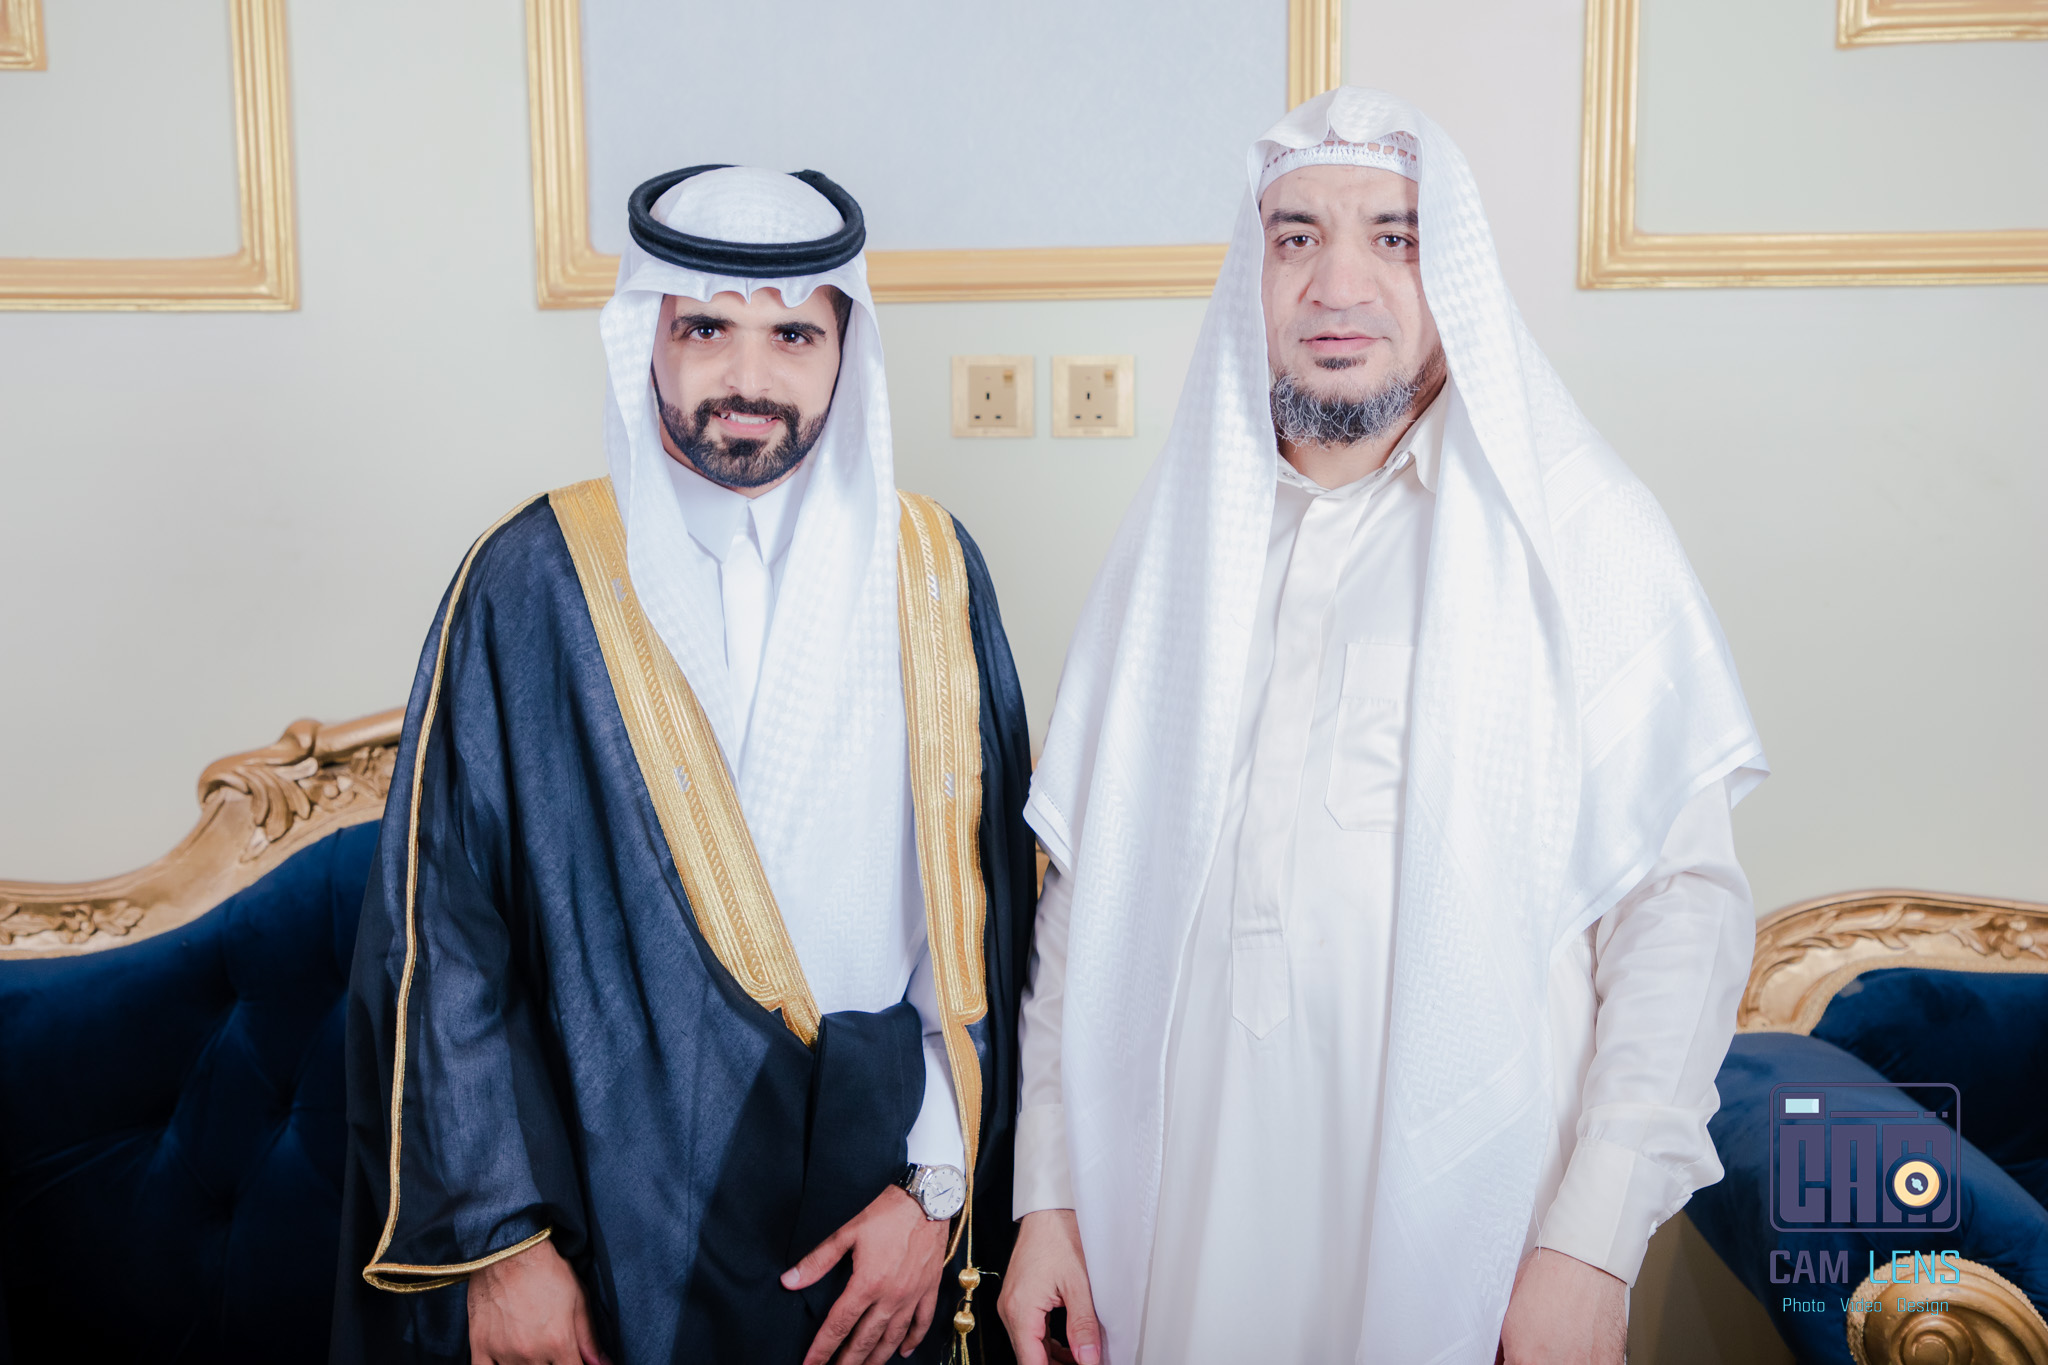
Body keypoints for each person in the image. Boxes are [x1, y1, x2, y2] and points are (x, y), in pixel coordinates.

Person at [996, 87, 1766, 1365]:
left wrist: (1591, 1246)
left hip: (1477, 1239)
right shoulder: (1176, 551)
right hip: (1177, 1231)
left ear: (1451, 271)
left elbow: (1677, 917)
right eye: (1294, 237)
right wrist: (1050, 1200)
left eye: (1393, 238)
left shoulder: (1576, 534)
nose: (1335, 284)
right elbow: (1087, 901)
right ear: (1253, 274)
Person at [332, 165, 1035, 1365]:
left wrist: (933, 1191)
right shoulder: (532, 581)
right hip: (611, 1219)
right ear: (645, 338)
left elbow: (984, 923)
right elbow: (444, 943)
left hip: (876, 1215)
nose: (748, 378)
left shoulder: (930, 572)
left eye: (794, 335)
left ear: (845, 350)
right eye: (705, 328)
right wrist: (504, 1250)